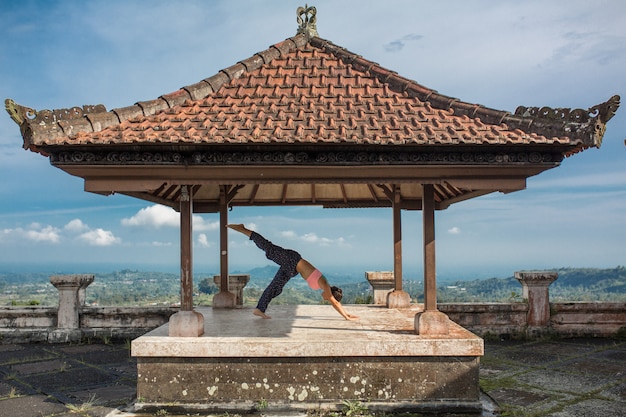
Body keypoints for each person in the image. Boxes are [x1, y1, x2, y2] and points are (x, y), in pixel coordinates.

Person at [227, 224, 359, 321]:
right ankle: (244, 230)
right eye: (330, 299)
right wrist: (346, 317)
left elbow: (336, 301)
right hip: (292, 260)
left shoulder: (325, 287)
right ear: (331, 295)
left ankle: (259, 309)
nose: (327, 300)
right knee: (268, 247)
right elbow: (335, 302)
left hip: (292, 269)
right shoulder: (325, 284)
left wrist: (347, 314)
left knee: (276, 287)